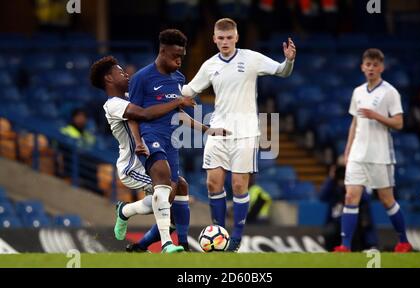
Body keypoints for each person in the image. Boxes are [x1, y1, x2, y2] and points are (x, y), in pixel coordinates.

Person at [181, 18, 296, 251]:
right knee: (213, 183)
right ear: (214, 39)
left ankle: (237, 236)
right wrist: (165, 91)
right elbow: (188, 90)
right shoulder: (209, 65)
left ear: (236, 38)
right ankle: (219, 233)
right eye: (220, 38)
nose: (225, 42)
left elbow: (282, 71)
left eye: (229, 37)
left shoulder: (251, 58)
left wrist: (289, 60)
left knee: (238, 185)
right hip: (218, 130)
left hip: (245, 132)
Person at [129, 29, 228, 253]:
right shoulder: (142, 78)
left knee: (175, 192)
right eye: (175, 55)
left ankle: (152, 238)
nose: (179, 60)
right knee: (165, 187)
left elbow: (179, 114)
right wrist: (137, 141)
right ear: (162, 51)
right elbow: (132, 114)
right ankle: (168, 244)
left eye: (182, 56)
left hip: (171, 141)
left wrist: (206, 129)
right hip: (150, 137)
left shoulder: (178, 79)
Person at [89, 56, 197, 252]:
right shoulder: (113, 104)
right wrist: (177, 102)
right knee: (166, 190)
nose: (126, 74)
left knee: (179, 187)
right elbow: (146, 114)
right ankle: (166, 243)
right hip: (132, 166)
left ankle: (127, 212)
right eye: (120, 72)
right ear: (109, 79)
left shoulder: (133, 94)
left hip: (149, 158)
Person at [334, 48, 412, 253]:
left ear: (381, 68)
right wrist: (348, 149)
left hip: (380, 155)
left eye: (375, 65)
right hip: (358, 154)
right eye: (368, 65)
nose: (371, 68)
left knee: (387, 200)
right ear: (362, 67)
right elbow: (354, 122)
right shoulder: (357, 92)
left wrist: (376, 115)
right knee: (350, 197)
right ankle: (345, 246)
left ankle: (403, 241)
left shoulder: (390, 92)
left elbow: (399, 123)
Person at [319, 155, 378, 251]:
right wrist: (331, 177)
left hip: (356, 225)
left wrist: (352, 179)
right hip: (335, 224)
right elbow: (322, 196)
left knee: (356, 230)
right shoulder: (333, 185)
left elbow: (366, 198)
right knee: (330, 231)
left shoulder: (357, 182)